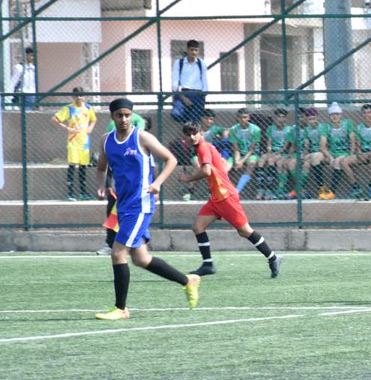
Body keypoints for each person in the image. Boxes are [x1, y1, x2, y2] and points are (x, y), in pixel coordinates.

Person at [93, 97, 200, 320]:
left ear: (132, 116)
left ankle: (121, 309)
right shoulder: (106, 141)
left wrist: (158, 182)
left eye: (127, 115)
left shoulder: (141, 137)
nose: (123, 119)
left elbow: (170, 159)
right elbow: (101, 168)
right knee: (141, 259)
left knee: (117, 252)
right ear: (112, 117)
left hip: (140, 204)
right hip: (122, 204)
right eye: (119, 115)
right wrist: (101, 185)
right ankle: (188, 281)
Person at [178, 120, 282, 279]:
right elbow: (217, 166)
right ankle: (208, 264)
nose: (192, 137)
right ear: (185, 137)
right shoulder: (206, 147)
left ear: (201, 133)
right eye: (188, 134)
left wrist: (188, 179)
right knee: (198, 226)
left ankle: (273, 258)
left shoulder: (203, 147)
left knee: (245, 231)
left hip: (226, 197)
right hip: (216, 197)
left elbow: (206, 171)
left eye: (194, 133)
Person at [53, 87, 97, 200]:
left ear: (84, 96)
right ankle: (70, 193)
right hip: (73, 141)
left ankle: (83, 193)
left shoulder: (88, 108)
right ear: (73, 97)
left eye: (81, 95)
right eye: (77, 96)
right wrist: (67, 128)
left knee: (83, 167)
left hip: (84, 142)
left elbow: (94, 119)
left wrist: (90, 128)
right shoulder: (69, 108)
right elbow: (55, 119)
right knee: (72, 166)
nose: (79, 98)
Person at [320, 102, 361, 198]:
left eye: (337, 114)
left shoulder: (348, 123)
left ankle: (332, 191)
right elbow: (322, 146)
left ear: (341, 115)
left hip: (346, 152)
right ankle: (322, 188)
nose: (335, 116)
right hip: (333, 153)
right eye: (332, 114)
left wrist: (351, 153)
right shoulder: (326, 127)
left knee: (338, 162)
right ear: (329, 116)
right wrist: (330, 157)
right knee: (318, 159)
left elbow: (353, 140)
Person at [260, 108, 297, 199]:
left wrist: (274, 154)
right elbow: (269, 143)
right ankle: (260, 189)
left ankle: (270, 189)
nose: (280, 119)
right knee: (261, 160)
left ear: (285, 119)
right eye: (278, 117)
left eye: (283, 117)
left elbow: (285, 147)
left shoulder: (289, 129)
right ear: (275, 118)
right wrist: (269, 151)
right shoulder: (270, 128)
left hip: (283, 153)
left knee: (271, 160)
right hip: (273, 152)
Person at [170, 39, 208, 122]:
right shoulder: (179, 63)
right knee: (176, 114)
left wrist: (203, 95)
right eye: (191, 50)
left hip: (198, 94)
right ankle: (187, 124)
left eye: (196, 50)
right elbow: (175, 81)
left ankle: (189, 127)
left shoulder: (201, 63)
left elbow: (204, 80)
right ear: (187, 50)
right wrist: (183, 97)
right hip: (183, 93)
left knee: (194, 120)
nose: (194, 52)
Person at [228, 108, 262, 196]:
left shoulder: (256, 129)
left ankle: (237, 191)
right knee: (224, 169)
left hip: (251, 154)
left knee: (251, 164)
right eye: (240, 117)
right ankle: (224, 191)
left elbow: (252, 149)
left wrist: (241, 162)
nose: (242, 120)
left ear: (249, 118)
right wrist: (237, 161)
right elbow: (236, 148)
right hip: (238, 154)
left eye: (245, 117)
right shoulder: (233, 129)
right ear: (237, 118)